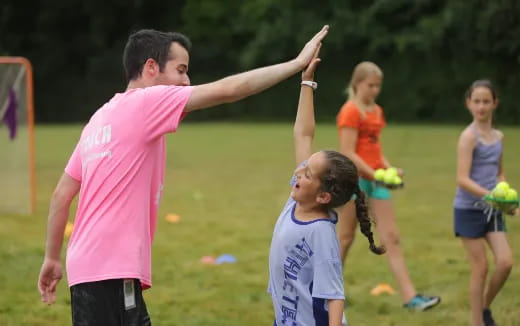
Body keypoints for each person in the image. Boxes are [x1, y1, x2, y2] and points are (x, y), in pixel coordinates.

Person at [37, 26, 329, 325]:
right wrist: (296, 64)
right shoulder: (145, 102)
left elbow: (61, 195)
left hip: (84, 268)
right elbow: (228, 90)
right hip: (111, 267)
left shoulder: (99, 118)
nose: (186, 81)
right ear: (151, 67)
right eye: (180, 70)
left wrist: (51, 258)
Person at [268, 47, 384, 326]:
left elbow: (334, 296)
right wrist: (307, 82)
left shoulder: (321, 234)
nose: (299, 174)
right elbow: (303, 134)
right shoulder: (297, 200)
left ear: (323, 196)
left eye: (307, 173)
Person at [335, 61, 440, 310]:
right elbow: (348, 153)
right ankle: (325, 293)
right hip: (356, 182)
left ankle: (410, 299)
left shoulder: (377, 112)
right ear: (357, 83)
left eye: (378, 86)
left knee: (391, 237)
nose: (374, 90)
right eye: (370, 85)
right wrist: (374, 174)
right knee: (346, 238)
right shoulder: (350, 111)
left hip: (376, 181)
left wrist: (389, 169)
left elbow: (375, 150)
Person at [454, 80, 515, 326]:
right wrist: (489, 196)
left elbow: (499, 174)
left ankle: (485, 307)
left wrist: (506, 198)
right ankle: (477, 321)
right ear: (469, 104)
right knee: (480, 268)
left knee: (505, 263)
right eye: (476, 101)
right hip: (468, 210)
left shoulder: (499, 137)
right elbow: (461, 178)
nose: (481, 107)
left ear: (494, 104)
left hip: (493, 210)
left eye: (486, 101)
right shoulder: (468, 137)